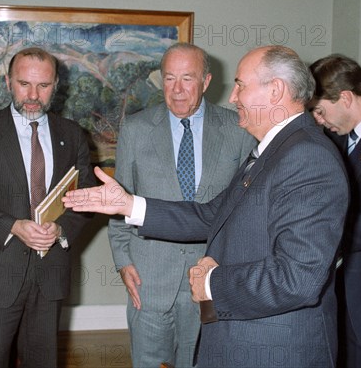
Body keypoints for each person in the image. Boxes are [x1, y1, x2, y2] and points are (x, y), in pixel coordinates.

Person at [64, 45, 349, 368]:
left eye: (241, 85)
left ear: (276, 91)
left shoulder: (306, 158)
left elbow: (299, 278)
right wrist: (130, 205)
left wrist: (212, 283)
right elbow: (212, 214)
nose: (232, 97)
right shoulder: (275, 151)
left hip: (271, 348)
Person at [108, 43, 255, 367]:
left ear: (206, 81)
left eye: (187, 79)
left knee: (202, 361)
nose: (176, 90)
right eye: (169, 78)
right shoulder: (135, 129)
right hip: (148, 276)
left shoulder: (238, 130)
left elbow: (245, 209)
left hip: (210, 275)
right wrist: (122, 260)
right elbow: (119, 198)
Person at [0, 47, 95, 367]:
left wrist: (62, 228)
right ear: (7, 81)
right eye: (24, 83)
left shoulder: (72, 134)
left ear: (56, 86)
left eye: (43, 86)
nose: (33, 95)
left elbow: (85, 197)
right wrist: (13, 226)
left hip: (50, 273)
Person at [309, 54, 361, 368]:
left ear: (345, 98)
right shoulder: (333, 140)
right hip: (337, 305)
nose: (317, 120)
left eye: (319, 110)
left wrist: (323, 233)